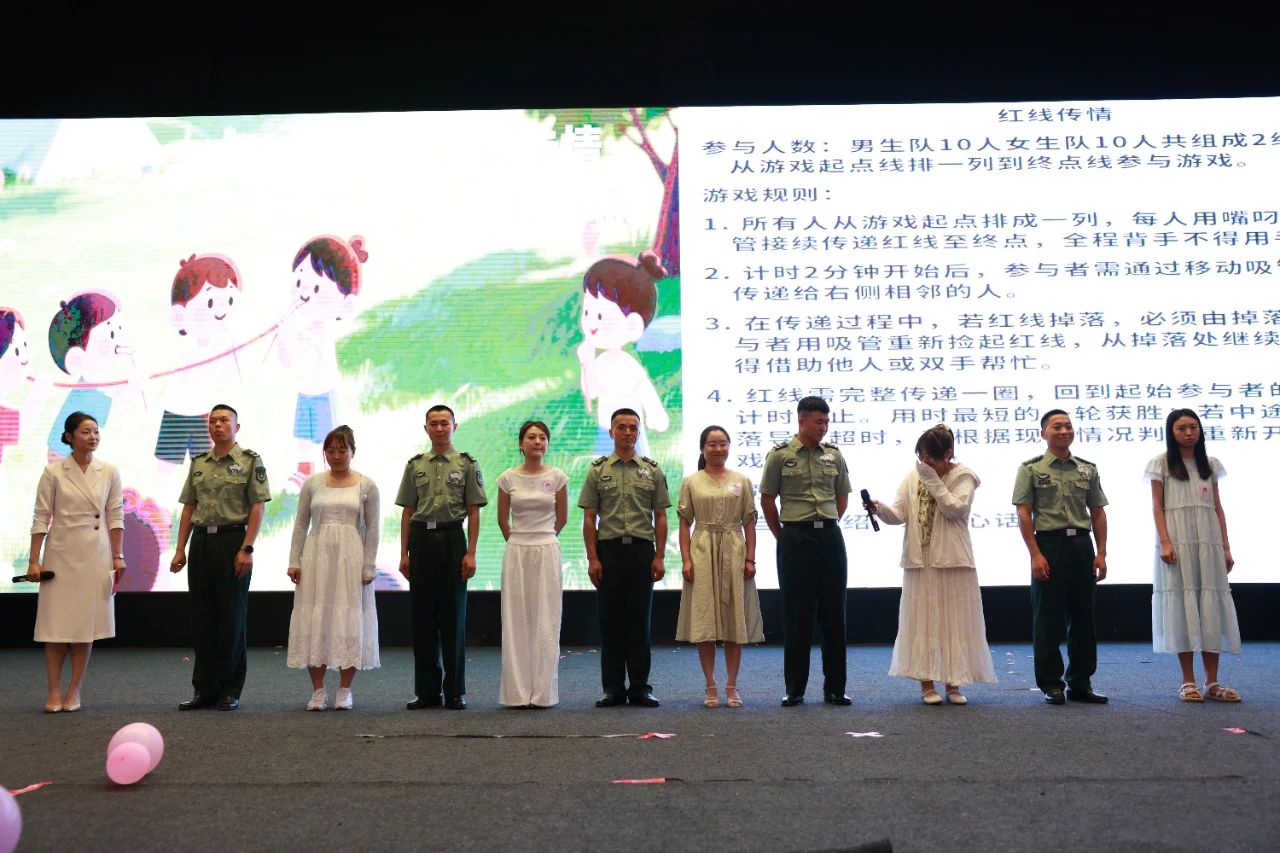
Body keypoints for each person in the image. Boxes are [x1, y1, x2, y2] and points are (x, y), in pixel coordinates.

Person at [870, 425, 996, 705]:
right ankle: (927, 685)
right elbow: (899, 515)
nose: (923, 462)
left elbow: (955, 509)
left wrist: (932, 480)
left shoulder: (964, 476)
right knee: (923, 622)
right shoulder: (913, 476)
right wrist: (879, 509)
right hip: (920, 559)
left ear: (947, 454)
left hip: (953, 559)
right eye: (921, 456)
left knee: (955, 621)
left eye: (929, 457)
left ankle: (954, 684)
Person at [169, 404, 271, 711]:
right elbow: (189, 507)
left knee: (231, 618)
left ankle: (230, 689)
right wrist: (180, 548)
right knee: (202, 619)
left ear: (236, 427)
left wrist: (247, 548)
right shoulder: (199, 462)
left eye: (224, 420)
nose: (217, 425)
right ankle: (205, 690)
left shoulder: (250, 461)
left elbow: (257, 507)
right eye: (212, 421)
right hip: (201, 542)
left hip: (232, 542)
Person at [27, 412, 125, 712]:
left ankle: (74, 690)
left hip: (96, 554)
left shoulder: (109, 471)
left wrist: (118, 555)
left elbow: (115, 515)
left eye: (96, 431)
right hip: (61, 554)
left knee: (85, 627)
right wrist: (33, 560)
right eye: (85, 431)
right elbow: (41, 516)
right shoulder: (54, 472)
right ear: (69, 437)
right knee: (56, 627)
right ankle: (54, 691)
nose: (93, 436)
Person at [1013, 409, 1109, 706]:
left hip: (1081, 545)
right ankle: (1051, 683)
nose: (1064, 431)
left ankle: (1080, 683)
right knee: (1048, 620)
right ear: (1044, 433)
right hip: (1049, 545)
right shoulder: (1031, 469)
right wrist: (1035, 554)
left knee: (1084, 619)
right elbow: (1024, 513)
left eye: (1068, 425)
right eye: (1057, 426)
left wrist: (1101, 552)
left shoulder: (1087, 469)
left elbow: (1097, 512)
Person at [760, 395, 852, 706]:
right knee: (796, 616)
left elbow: (842, 497)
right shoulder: (779, 456)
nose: (823, 427)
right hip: (794, 538)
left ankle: (835, 689)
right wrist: (783, 535)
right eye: (818, 422)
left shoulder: (834, 455)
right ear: (802, 421)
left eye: (826, 422)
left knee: (834, 615)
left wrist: (826, 523)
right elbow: (767, 500)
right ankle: (795, 688)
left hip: (829, 537)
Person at [1146, 408, 1241, 702]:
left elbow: (1218, 507)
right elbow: (1157, 506)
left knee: (1210, 608)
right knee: (1182, 606)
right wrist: (1165, 542)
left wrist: (1225, 546)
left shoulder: (1209, 464)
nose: (1189, 433)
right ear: (1171, 432)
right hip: (1177, 543)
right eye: (1182, 428)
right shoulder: (1161, 463)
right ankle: (1188, 681)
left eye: (1193, 427)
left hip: (1208, 543)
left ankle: (1212, 682)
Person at [396, 404, 486, 710]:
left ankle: (455, 691)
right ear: (426, 429)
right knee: (422, 619)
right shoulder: (415, 465)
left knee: (453, 618)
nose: (439, 428)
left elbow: (474, 511)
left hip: (452, 540)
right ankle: (427, 692)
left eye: (444, 423)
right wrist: (404, 553)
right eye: (433, 423)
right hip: (421, 540)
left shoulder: (467, 464)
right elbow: (408, 511)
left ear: (454, 426)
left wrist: (471, 552)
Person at [579, 407, 671, 707]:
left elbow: (660, 516)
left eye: (633, 427)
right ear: (611, 432)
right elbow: (589, 518)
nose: (628, 432)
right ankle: (613, 688)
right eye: (622, 427)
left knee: (639, 622)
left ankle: (640, 687)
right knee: (610, 622)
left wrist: (659, 556)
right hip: (609, 552)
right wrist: (593, 558)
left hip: (642, 552)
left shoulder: (652, 469)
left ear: (639, 432)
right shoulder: (597, 470)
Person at [286, 425, 381, 711]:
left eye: (342, 450)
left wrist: (369, 565)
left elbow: (374, 528)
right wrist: (294, 560)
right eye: (331, 450)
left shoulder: (367, 485)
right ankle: (318, 691)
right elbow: (300, 524)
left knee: (348, 619)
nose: (336, 456)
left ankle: (344, 690)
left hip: (350, 558)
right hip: (316, 557)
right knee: (315, 618)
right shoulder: (313, 483)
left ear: (353, 451)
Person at [675, 425, 763, 708]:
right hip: (702, 549)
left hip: (734, 550)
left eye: (723, 443)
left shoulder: (742, 480)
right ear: (702, 448)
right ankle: (710, 683)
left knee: (734, 620)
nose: (718, 448)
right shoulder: (691, 481)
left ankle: (732, 684)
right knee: (705, 621)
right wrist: (686, 559)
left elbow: (749, 522)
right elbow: (684, 523)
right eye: (712, 444)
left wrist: (750, 558)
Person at [278, 234, 368, 487]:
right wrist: (284, 335)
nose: (305, 294)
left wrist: (300, 332)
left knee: (330, 437)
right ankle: (304, 470)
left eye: (316, 288)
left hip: (323, 392)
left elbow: (319, 356)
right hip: (304, 391)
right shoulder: (298, 326)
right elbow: (286, 360)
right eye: (299, 283)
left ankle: (335, 472)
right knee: (303, 435)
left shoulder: (322, 328)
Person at [496, 420, 568, 708]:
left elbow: (562, 518)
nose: (537, 442)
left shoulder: (558, 477)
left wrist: (542, 539)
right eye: (531, 437)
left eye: (542, 438)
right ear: (521, 443)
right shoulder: (507, 478)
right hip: (517, 551)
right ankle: (517, 693)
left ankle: (542, 694)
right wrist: (521, 541)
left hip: (547, 549)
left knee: (546, 620)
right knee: (515, 620)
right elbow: (503, 520)